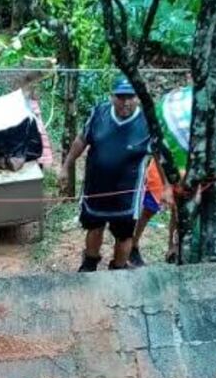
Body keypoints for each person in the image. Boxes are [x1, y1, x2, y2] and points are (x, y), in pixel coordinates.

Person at [62, 76, 157, 271]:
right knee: (94, 227)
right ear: (111, 96)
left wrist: (165, 187)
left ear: (137, 98)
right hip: (96, 188)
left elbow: (160, 155)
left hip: (127, 196)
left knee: (124, 235)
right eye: (120, 97)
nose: (125, 102)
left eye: (130, 97)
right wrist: (65, 166)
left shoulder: (147, 121)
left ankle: (118, 268)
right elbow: (82, 140)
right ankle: (90, 262)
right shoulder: (99, 113)